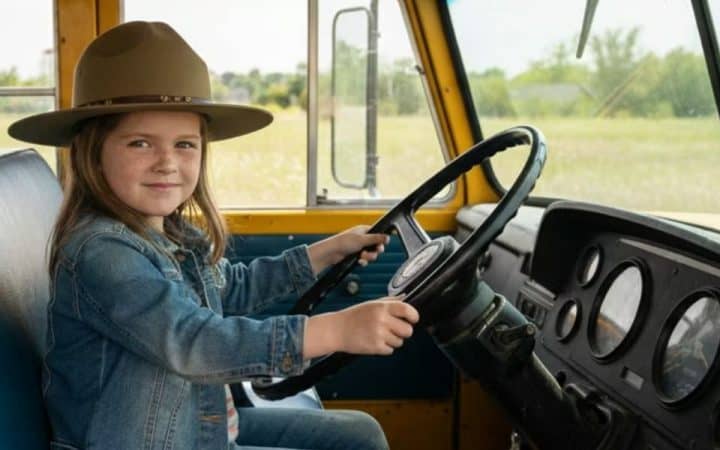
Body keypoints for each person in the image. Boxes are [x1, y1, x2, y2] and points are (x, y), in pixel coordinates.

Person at [8, 21, 420, 450]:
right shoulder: (102, 253)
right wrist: (333, 331)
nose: (167, 162)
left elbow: (229, 286)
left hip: (197, 428)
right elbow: (194, 342)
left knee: (360, 434)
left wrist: (326, 252)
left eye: (185, 144)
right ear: (92, 152)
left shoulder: (171, 233)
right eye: (140, 144)